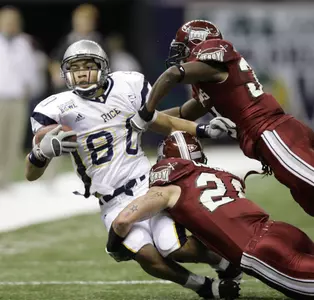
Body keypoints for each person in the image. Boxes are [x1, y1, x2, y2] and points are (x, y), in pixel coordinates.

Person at [24, 40, 241, 299]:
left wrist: (202, 129)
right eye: (75, 68)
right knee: (147, 254)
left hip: (145, 184)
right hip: (110, 200)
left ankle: (224, 263)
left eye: (88, 66)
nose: (81, 73)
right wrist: (41, 152)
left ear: (103, 68)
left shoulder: (128, 85)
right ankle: (203, 287)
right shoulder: (53, 108)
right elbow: (31, 174)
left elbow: (157, 121)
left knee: (174, 247)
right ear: (65, 73)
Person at [130, 19, 314, 217]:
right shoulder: (213, 82)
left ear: (197, 43)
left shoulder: (213, 61)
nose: (180, 56)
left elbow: (172, 74)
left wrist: (146, 110)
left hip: (271, 132)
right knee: (308, 199)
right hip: (273, 136)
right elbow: (184, 113)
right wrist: (140, 120)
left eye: (183, 49)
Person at [109, 131, 314, 300]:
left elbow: (122, 220)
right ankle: (224, 263)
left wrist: (113, 247)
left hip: (260, 251)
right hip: (282, 231)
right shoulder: (222, 175)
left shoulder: (169, 187)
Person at [0, 6, 38, 187]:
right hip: (0, 99)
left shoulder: (24, 43)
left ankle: (5, 180)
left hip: (17, 100)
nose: (10, 25)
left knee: (13, 141)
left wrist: (28, 90)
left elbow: (31, 72)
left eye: (13, 22)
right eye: (7, 21)